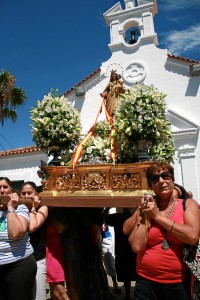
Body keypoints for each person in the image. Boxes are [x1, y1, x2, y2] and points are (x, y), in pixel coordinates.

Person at [123, 162, 200, 300]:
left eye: (165, 176)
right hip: (145, 282)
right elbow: (136, 246)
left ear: (172, 180)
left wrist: (157, 217)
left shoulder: (187, 205)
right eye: (155, 179)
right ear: (151, 186)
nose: (161, 181)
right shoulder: (147, 209)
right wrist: (146, 216)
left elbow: (192, 236)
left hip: (178, 283)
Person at [0, 177, 37, 300]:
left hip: (18, 265)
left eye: (5, 187)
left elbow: (15, 233)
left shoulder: (20, 208)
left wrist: (10, 208)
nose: (2, 190)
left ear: (11, 190)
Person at [21, 181, 48, 300]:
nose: (26, 196)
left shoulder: (43, 208)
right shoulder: (19, 209)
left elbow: (32, 227)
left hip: (38, 258)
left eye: (29, 193)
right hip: (22, 260)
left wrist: (32, 208)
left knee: (38, 297)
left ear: (36, 193)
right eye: (23, 193)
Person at [106, 208, 137, 300]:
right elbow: (105, 219)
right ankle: (128, 295)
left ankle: (130, 294)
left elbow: (105, 218)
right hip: (124, 250)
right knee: (127, 274)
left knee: (131, 274)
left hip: (130, 249)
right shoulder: (117, 217)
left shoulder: (136, 216)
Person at [46, 207, 70, 300]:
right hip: (42, 254)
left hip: (53, 255)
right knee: (54, 293)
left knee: (59, 293)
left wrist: (50, 210)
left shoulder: (54, 210)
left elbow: (61, 228)